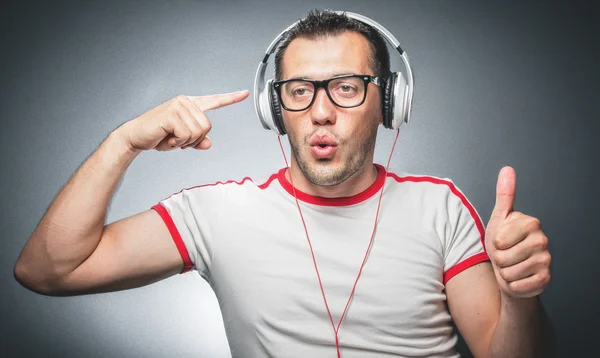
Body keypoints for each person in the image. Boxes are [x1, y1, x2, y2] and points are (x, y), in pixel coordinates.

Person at [14, 9, 553, 358]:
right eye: (298, 90)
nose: (320, 111)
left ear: (389, 103)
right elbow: (47, 270)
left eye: (346, 87)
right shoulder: (216, 213)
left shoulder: (441, 208)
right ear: (276, 110)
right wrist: (122, 143)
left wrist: (520, 297)